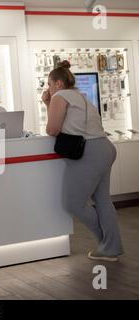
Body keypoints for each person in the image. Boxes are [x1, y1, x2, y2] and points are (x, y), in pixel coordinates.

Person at [42, 60, 123, 262]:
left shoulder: (60, 95)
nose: (48, 88)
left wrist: (49, 103)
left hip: (89, 152)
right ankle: (110, 247)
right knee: (103, 201)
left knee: (73, 204)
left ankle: (107, 244)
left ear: (58, 83)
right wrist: (48, 103)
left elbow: (52, 129)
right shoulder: (80, 96)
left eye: (49, 84)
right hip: (104, 147)